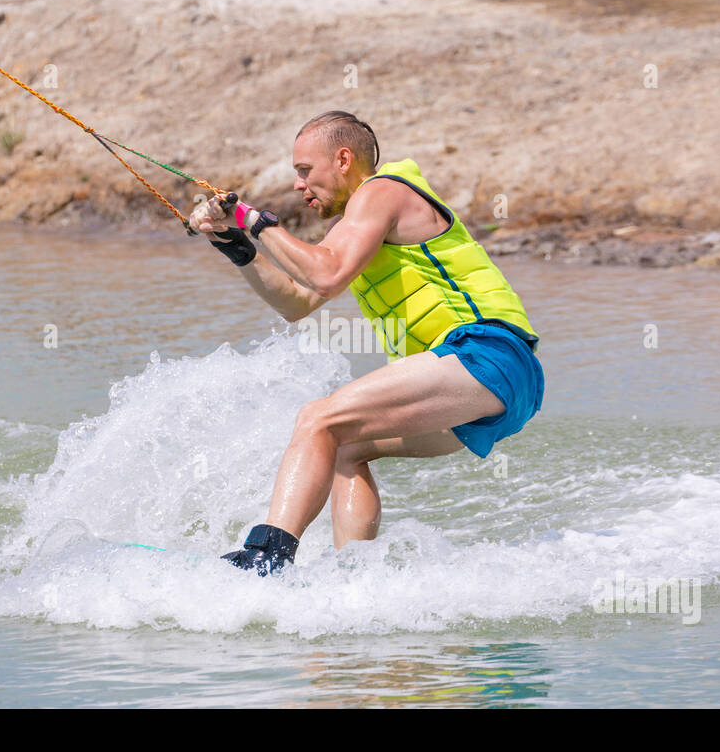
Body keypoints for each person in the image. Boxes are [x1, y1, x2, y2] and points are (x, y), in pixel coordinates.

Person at [189, 110, 543, 575]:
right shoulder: (353, 228)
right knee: (342, 447)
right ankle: (353, 579)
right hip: (490, 387)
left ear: (342, 159)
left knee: (318, 418)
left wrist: (247, 217)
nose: (299, 186)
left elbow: (328, 274)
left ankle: (266, 556)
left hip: (486, 355)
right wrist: (237, 246)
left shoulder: (385, 192)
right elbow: (296, 302)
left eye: (304, 171)